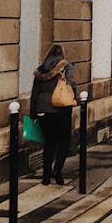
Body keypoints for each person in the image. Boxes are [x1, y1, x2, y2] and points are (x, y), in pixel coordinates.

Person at [30, 43, 77, 185]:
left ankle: (45, 175)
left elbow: (35, 92)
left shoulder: (40, 69)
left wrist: (33, 113)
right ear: (61, 54)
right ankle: (57, 170)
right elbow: (72, 84)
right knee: (64, 141)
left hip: (43, 109)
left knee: (49, 142)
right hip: (60, 108)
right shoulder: (66, 66)